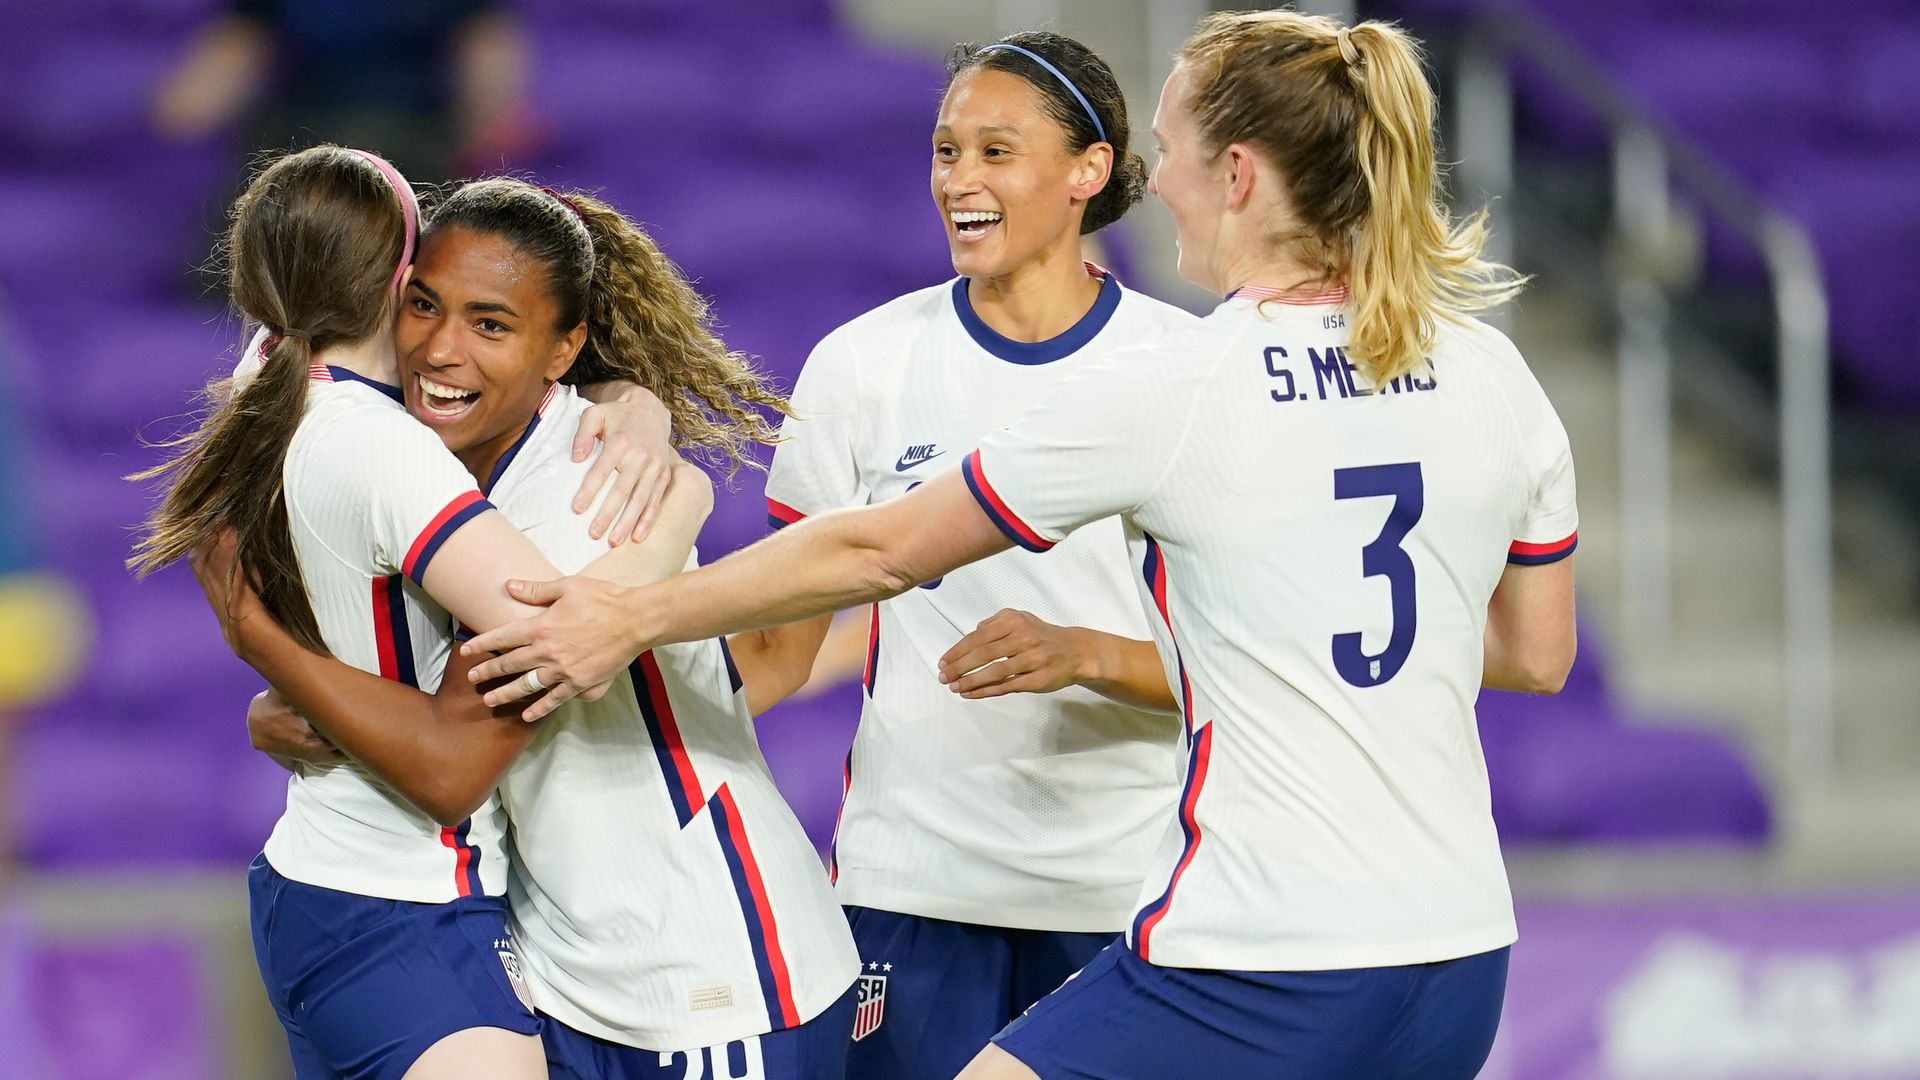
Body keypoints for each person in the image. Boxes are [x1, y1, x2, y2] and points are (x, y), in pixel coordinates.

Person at [461, 10, 1579, 1079]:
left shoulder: (1179, 378)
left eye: (1175, 152)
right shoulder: (1493, 371)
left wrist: (628, 614)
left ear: (1237, 175)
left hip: (1259, 943)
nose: (1164, 184)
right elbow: (1533, 655)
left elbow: (885, 552)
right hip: (1460, 949)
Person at [189, 177, 863, 1080]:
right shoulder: (430, 468)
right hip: (565, 970)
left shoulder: (586, 498)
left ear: (565, 349)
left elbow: (457, 752)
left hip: (697, 979)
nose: (440, 348)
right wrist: (294, 702)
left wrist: (269, 648)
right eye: (423, 304)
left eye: (492, 325)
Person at [130, 146, 677, 1080]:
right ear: (400, 277)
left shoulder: (270, 378)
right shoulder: (385, 452)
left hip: (324, 879)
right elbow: (557, 629)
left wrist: (635, 402)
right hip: (403, 903)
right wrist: (681, 502)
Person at [730, 30, 1198, 1079]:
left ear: (1088, 172)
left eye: (996, 151)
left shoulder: (1186, 372)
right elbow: (775, 654)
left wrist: (1086, 652)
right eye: (947, 151)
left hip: (1131, 894)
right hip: (913, 892)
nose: (960, 180)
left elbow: (1256, 668)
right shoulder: (860, 366)